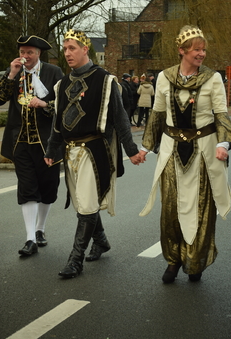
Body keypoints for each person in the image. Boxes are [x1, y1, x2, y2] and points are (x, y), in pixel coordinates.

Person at [138, 25, 231, 283]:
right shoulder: (164, 78)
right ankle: (173, 260)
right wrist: (145, 147)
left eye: (204, 49)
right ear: (181, 51)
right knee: (170, 208)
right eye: (196, 50)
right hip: (171, 150)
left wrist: (223, 144)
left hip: (203, 151)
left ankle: (195, 261)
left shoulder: (213, 78)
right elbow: (158, 115)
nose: (202, 54)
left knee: (200, 208)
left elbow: (220, 115)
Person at [44, 29, 144, 279]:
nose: (67, 53)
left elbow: (120, 119)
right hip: (70, 152)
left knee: (87, 205)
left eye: (72, 48)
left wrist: (131, 150)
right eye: (65, 48)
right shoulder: (62, 85)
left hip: (95, 150)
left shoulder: (106, 80)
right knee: (82, 204)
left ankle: (75, 260)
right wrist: (51, 149)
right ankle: (101, 242)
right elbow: (58, 122)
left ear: (85, 49)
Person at [0, 35, 64, 257]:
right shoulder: (13, 72)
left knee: (48, 188)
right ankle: (30, 238)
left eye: (29, 52)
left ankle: (41, 229)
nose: (25, 56)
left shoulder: (53, 73)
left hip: (47, 142)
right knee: (27, 187)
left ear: (38, 54)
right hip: (19, 141)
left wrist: (44, 104)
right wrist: (11, 74)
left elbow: (65, 104)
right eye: (22, 52)